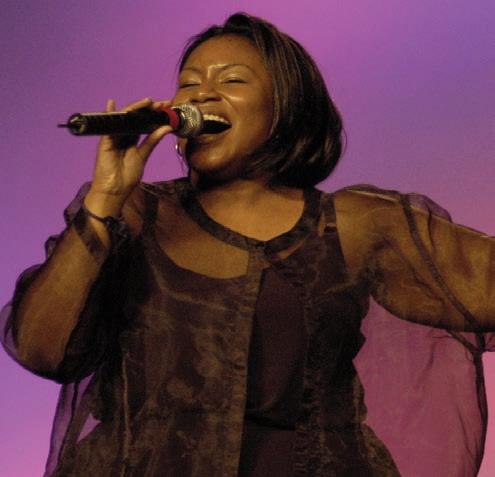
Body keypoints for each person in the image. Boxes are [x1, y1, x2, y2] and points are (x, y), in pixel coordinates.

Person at [1, 12, 494, 477]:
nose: (202, 95)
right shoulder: (134, 213)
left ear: (286, 105)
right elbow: (43, 350)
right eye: (189, 84)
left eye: (232, 80)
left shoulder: (356, 225)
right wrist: (104, 200)